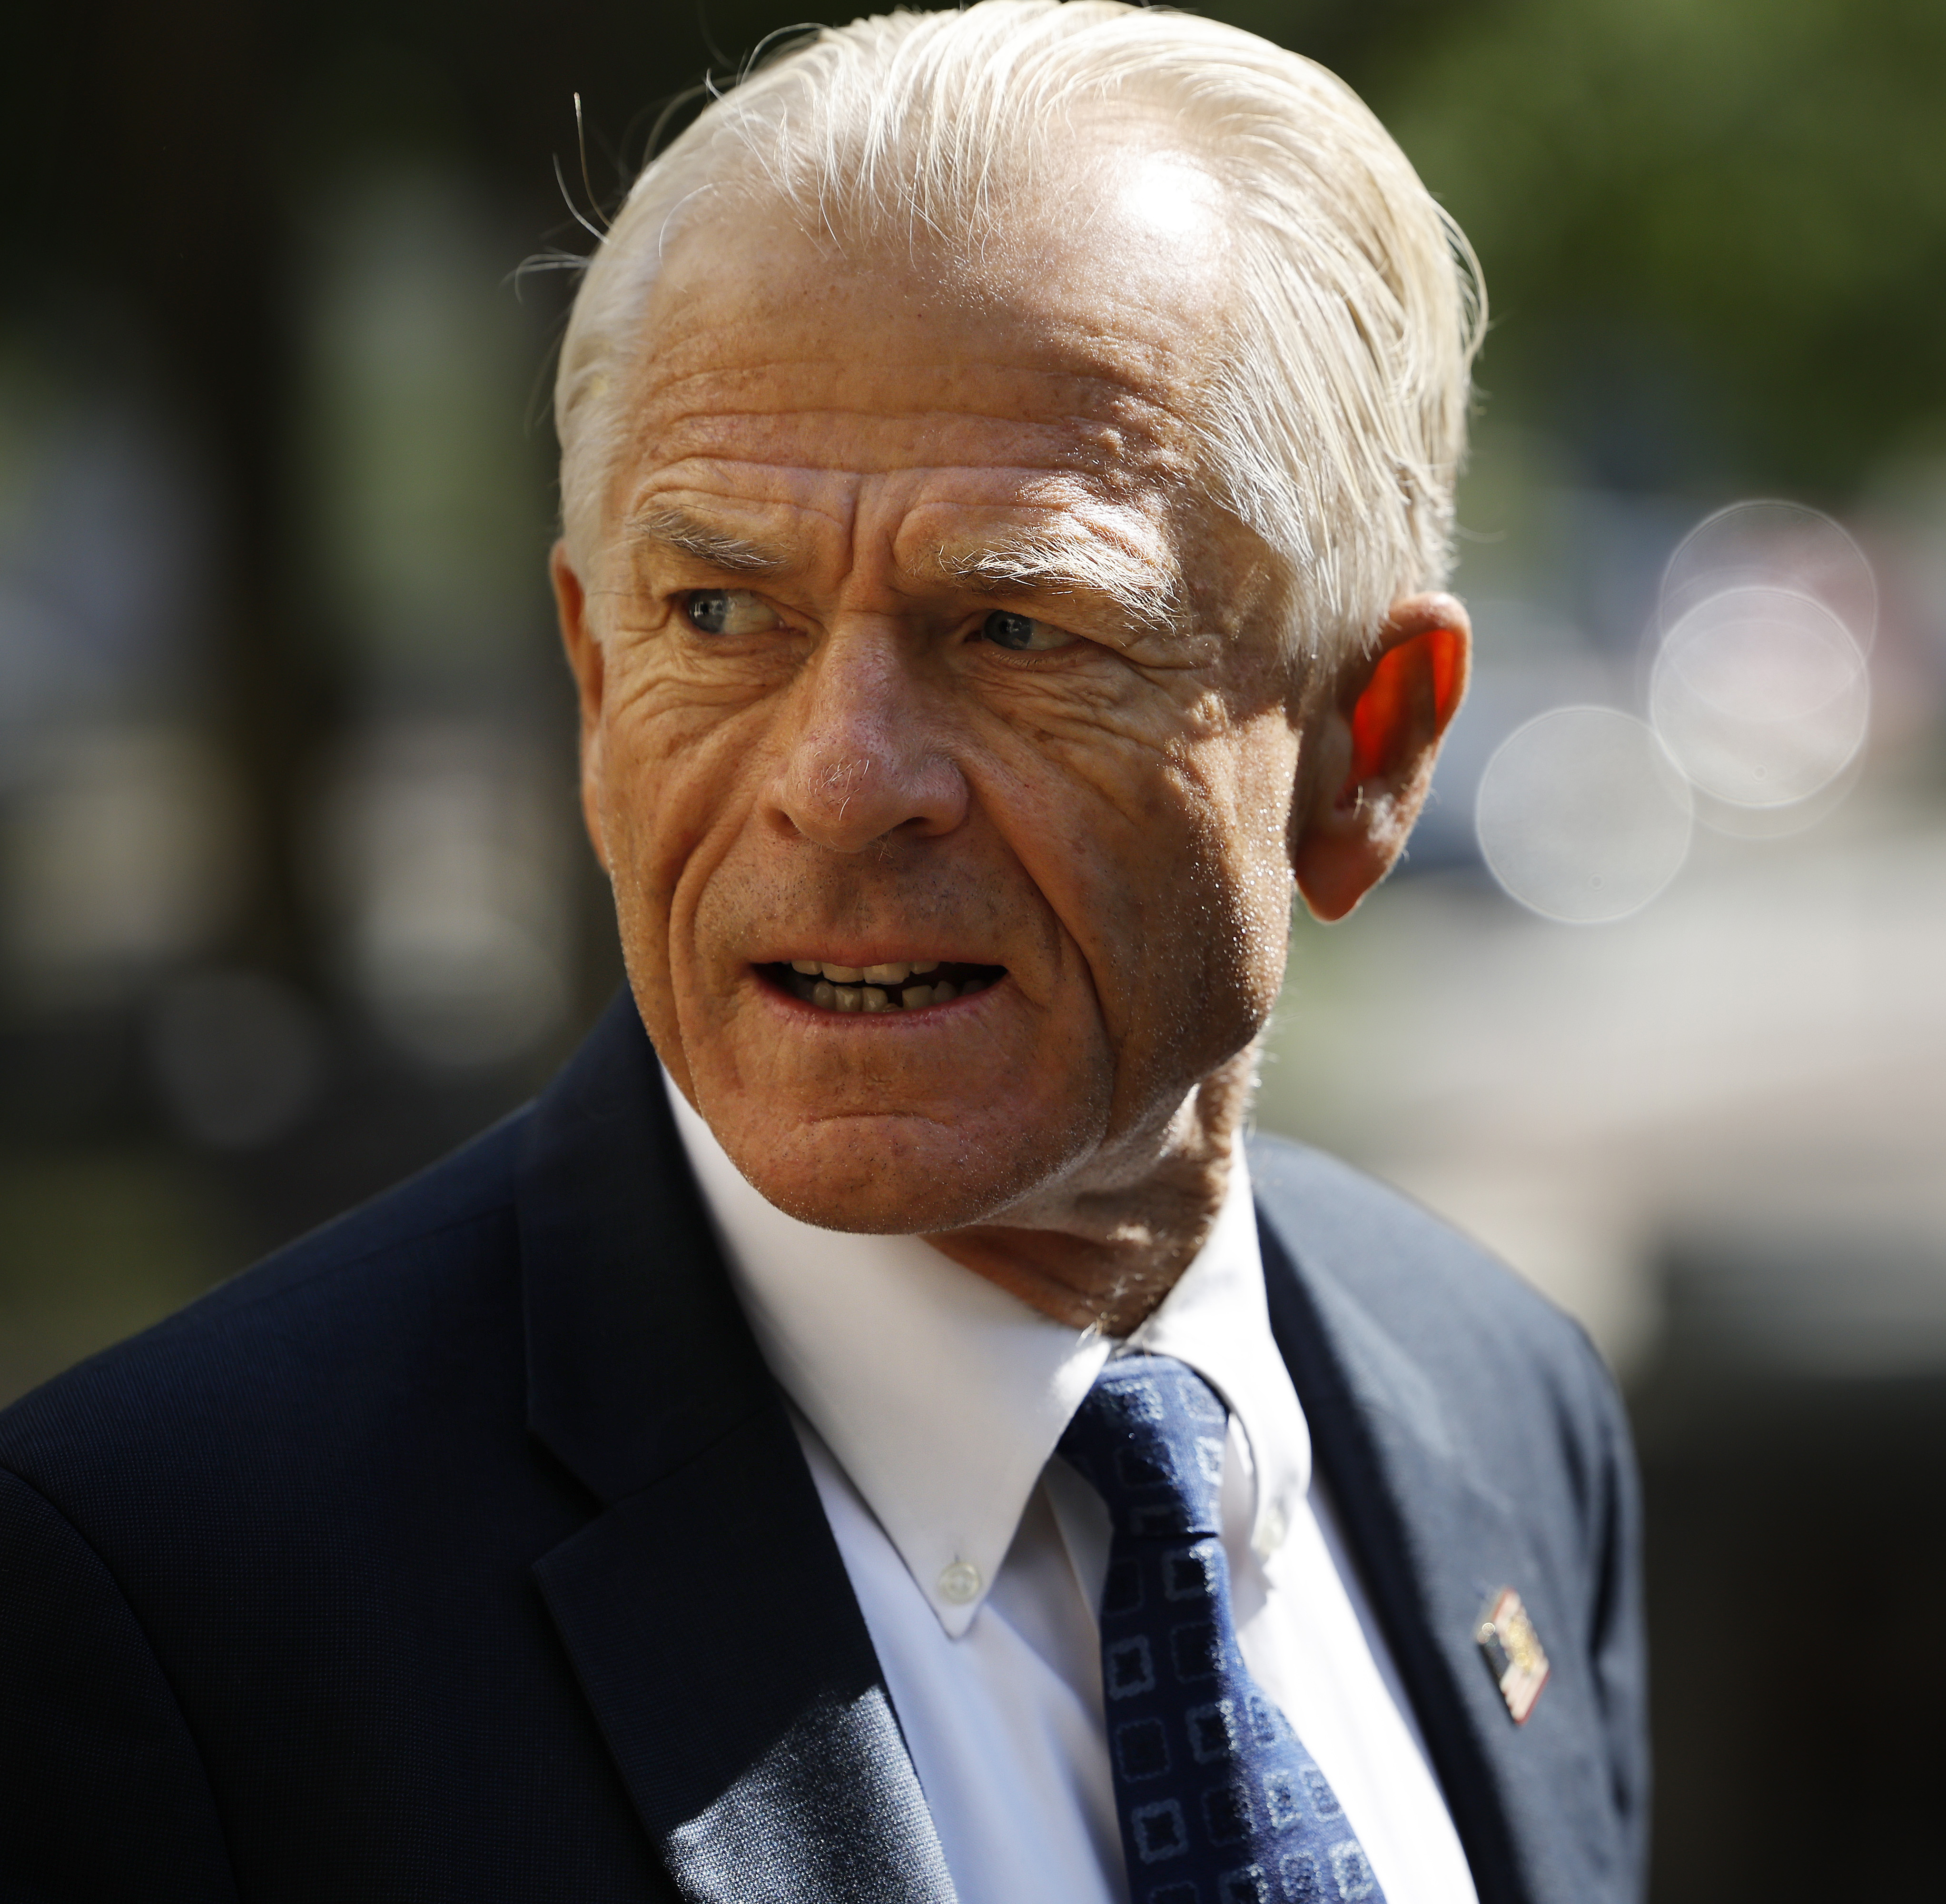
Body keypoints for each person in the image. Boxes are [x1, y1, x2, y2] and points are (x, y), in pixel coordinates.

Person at [0, 8, 1647, 1900]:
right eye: (718, 610)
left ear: (1367, 748)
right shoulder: (161, 1605)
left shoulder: (1500, 1398)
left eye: (1019, 628)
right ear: (596, 675)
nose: (841, 782)